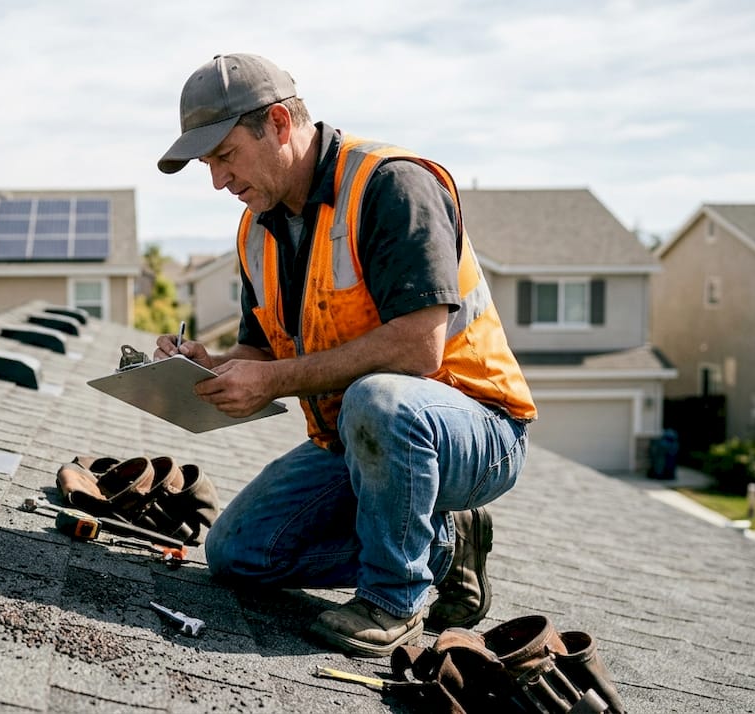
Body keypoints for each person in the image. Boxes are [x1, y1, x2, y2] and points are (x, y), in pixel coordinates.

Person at [153, 53, 537, 658]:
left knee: (379, 398)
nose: (218, 181)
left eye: (225, 156)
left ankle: (394, 598)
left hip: (476, 430)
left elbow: (418, 347)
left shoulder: (392, 185)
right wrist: (212, 365)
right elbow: (263, 347)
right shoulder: (257, 228)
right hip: (359, 439)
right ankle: (442, 545)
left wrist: (272, 381)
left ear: (279, 123)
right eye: (208, 165)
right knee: (235, 553)